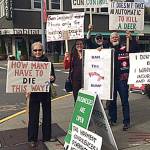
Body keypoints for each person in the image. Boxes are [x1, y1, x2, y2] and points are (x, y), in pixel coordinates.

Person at [108, 31, 139, 131]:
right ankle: (113, 119)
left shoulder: (125, 47)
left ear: (119, 38)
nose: (115, 38)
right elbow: (92, 45)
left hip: (122, 79)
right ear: (110, 39)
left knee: (124, 101)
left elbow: (135, 50)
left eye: (116, 37)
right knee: (112, 101)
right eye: (113, 37)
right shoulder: (106, 48)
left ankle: (126, 122)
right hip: (111, 80)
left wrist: (131, 39)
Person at [27, 42, 56, 147]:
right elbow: (24, 79)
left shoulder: (48, 62)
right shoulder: (28, 63)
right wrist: (26, 89)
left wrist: (52, 78)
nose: (37, 52)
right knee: (33, 116)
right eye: (35, 50)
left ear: (42, 51)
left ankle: (47, 136)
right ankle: (32, 139)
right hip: (34, 93)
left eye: (39, 50)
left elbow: (53, 77)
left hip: (45, 92)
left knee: (47, 115)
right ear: (32, 51)